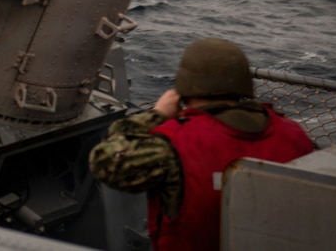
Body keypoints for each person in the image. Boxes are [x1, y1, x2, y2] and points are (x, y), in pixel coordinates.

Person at [89, 38, 313, 251]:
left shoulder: (174, 145)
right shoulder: (295, 135)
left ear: (183, 90)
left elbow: (104, 161)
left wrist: (156, 115)